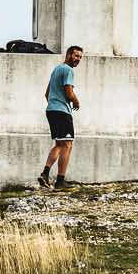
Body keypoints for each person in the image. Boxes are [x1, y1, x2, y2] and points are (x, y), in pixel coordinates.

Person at [37, 44, 83, 188]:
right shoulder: (68, 70)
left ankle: (45, 173)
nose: (78, 59)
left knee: (59, 144)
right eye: (76, 56)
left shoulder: (56, 69)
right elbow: (69, 93)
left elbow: (47, 93)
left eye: (80, 57)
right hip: (62, 112)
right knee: (67, 144)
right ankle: (60, 180)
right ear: (69, 55)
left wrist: (54, 103)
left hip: (51, 110)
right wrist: (76, 101)